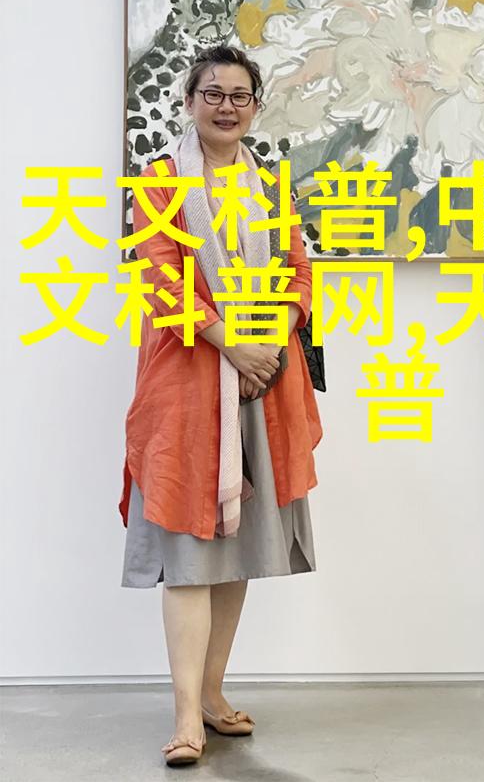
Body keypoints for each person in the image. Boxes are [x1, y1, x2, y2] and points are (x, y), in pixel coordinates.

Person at [119, 45, 322, 766]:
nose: (226, 106)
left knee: (234, 553)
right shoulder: (159, 181)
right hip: (187, 387)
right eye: (213, 93)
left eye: (240, 95)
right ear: (190, 102)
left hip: (261, 384)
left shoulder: (270, 185)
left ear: (256, 107)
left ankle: (210, 692)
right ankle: (185, 718)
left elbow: (297, 272)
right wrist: (232, 345)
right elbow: (161, 278)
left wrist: (266, 343)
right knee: (188, 552)